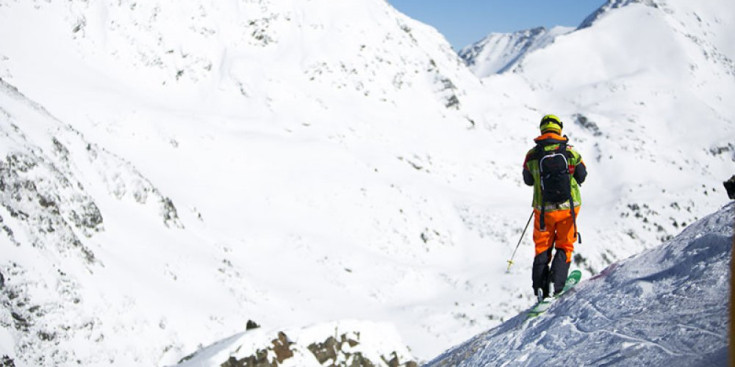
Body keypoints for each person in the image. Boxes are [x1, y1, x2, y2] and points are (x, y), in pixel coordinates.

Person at [522, 114, 587, 300]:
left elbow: (527, 180)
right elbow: (582, 175)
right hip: (569, 208)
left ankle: (540, 288)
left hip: (543, 211)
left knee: (542, 247)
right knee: (564, 245)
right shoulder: (570, 151)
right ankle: (556, 285)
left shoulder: (532, 155)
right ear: (559, 128)